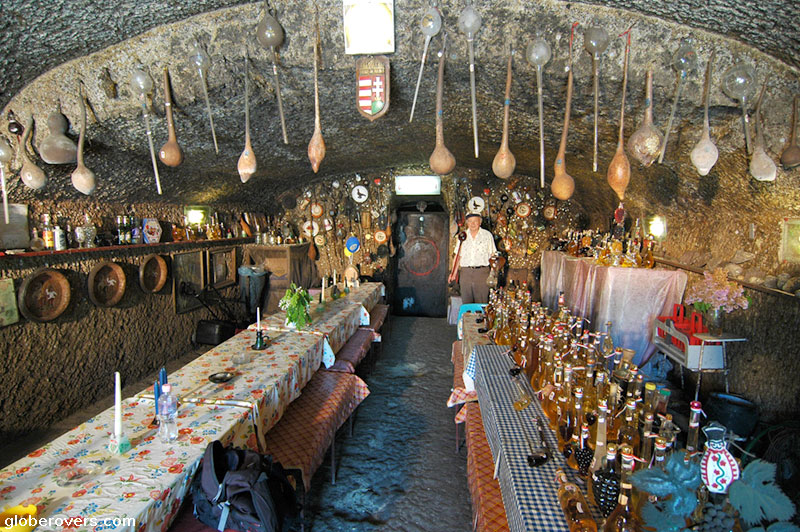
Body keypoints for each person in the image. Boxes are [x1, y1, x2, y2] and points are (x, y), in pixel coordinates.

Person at [448, 212, 496, 304]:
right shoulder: (462, 236)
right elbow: (458, 256)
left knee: (481, 303)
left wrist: (492, 274)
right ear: (467, 223)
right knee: (467, 303)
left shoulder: (487, 235)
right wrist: (453, 274)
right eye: (470, 221)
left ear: (480, 222)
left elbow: (493, 256)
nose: (472, 224)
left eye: (475, 221)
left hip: (482, 273)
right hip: (466, 273)